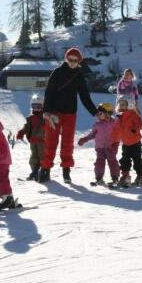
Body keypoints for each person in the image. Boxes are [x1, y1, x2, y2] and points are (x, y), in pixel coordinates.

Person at [39, 47, 98, 183]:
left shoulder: (79, 75)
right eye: (70, 59)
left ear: (79, 62)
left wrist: (95, 112)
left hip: (70, 114)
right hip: (54, 113)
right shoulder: (57, 72)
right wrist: (46, 111)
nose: (72, 62)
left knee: (67, 143)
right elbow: (49, 92)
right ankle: (45, 169)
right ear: (66, 59)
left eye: (75, 60)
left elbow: (85, 96)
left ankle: (66, 171)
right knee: (50, 142)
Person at [77, 102, 120, 185]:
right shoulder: (97, 124)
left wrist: (116, 143)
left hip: (110, 147)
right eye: (97, 113)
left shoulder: (113, 123)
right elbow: (93, 134)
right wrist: (85, 139)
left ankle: (115, 178)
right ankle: (99, 178)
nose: (97, 115)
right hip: (100, 148)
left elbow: (118, 133)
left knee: (112, 162)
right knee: (99, 162)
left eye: (100, 113)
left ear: (108, 114)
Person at [115, 96, 142, 187]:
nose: (121, 106)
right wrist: (114, 139)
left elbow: (140, 124)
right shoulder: (119, 116)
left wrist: (135, 129)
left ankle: (141, 176)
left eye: (123, 104)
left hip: (135, 142)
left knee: (137, 160)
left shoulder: (133, 115)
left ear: (130, 105)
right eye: (120, 104)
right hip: (125, 143)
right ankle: (125, 176)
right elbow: (116, 129)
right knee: (124, 160)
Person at [16, 94, 45, 181]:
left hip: (42, 141)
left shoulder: (44, 117)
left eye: (38, 107)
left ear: (42, 107)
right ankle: (35, 172)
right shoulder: (30, 118)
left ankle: (44, 172)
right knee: (34, 157)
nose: (36, 109)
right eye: (34, 106)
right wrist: (21, 132)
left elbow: (50, 126)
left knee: (42, 157)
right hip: (33, 141)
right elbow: (27, 127)